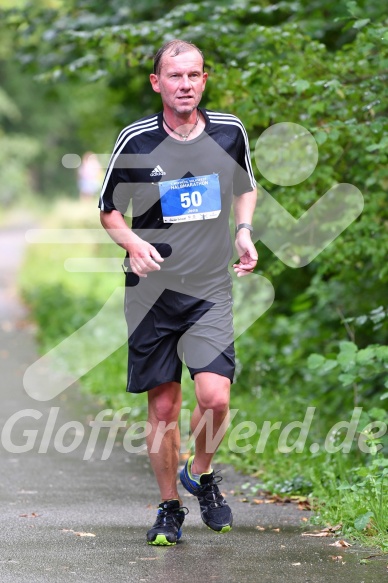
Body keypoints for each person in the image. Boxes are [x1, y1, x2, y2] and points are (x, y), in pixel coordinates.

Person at [99, 39, 257, 546]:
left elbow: (244, 185)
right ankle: (169, 507)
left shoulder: (229, 131)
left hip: (209, 287)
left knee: (214, 397)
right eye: (175, 77)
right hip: (151, 292)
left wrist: (244, 230)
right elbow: (109, 209)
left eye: (193, 76)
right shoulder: (136, 141)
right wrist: (132, 242)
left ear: (203, 80)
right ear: (157, 83)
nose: (185, 85)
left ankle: (201, 474)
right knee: (163, 408)